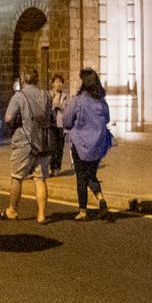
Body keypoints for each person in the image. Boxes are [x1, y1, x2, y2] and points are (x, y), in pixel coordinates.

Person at [0, 72, 54, 223]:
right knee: (40, 178)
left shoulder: (19, 96)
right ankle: (41, 214)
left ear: (23, 79)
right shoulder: (47, 95)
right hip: (43, 142)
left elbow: (8, 118)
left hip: (25, 141)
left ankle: (12, 210)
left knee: (17, 177)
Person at [64, 67, 112, 219]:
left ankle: (83, 211)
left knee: (81, 177)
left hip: (80, 145)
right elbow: (108, 119)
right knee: (91, 175)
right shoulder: (102, 102)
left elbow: (66, 121)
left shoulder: (77, 101)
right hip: (98, 145)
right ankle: (101, 200)